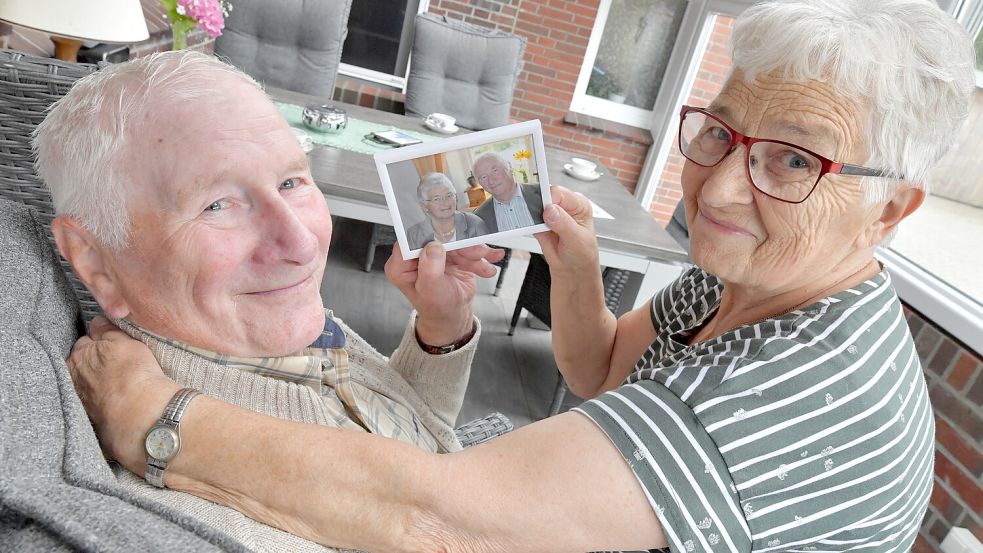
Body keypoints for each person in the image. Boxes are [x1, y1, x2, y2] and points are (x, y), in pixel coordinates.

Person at [65, 0, 975, 551]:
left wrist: (154, 415)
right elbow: (601, 371)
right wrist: (570, 272)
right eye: (722, 132)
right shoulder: (741, 274)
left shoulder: (795, 389)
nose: (722, 187)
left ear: (889, 209)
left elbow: (445, 522)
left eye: (792, 163)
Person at [33, 50, 504, 551]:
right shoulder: (207, 524)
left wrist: (442, 330)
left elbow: (409, 433)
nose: (302, 245)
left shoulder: (253, 327)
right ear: (96, 264)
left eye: (291, 182)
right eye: (217, 205)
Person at [405, 172, 488, 249]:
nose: (445, 202)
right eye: (437, 199)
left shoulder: (475, 225)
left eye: (449, 195)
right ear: (424, 206)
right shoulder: (414, 235)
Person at [471, 152, 544, 232]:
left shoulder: (543, 193)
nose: (491, 181)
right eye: (484, 177)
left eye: (495, 171)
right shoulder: (479, 217)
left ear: (510, 167)